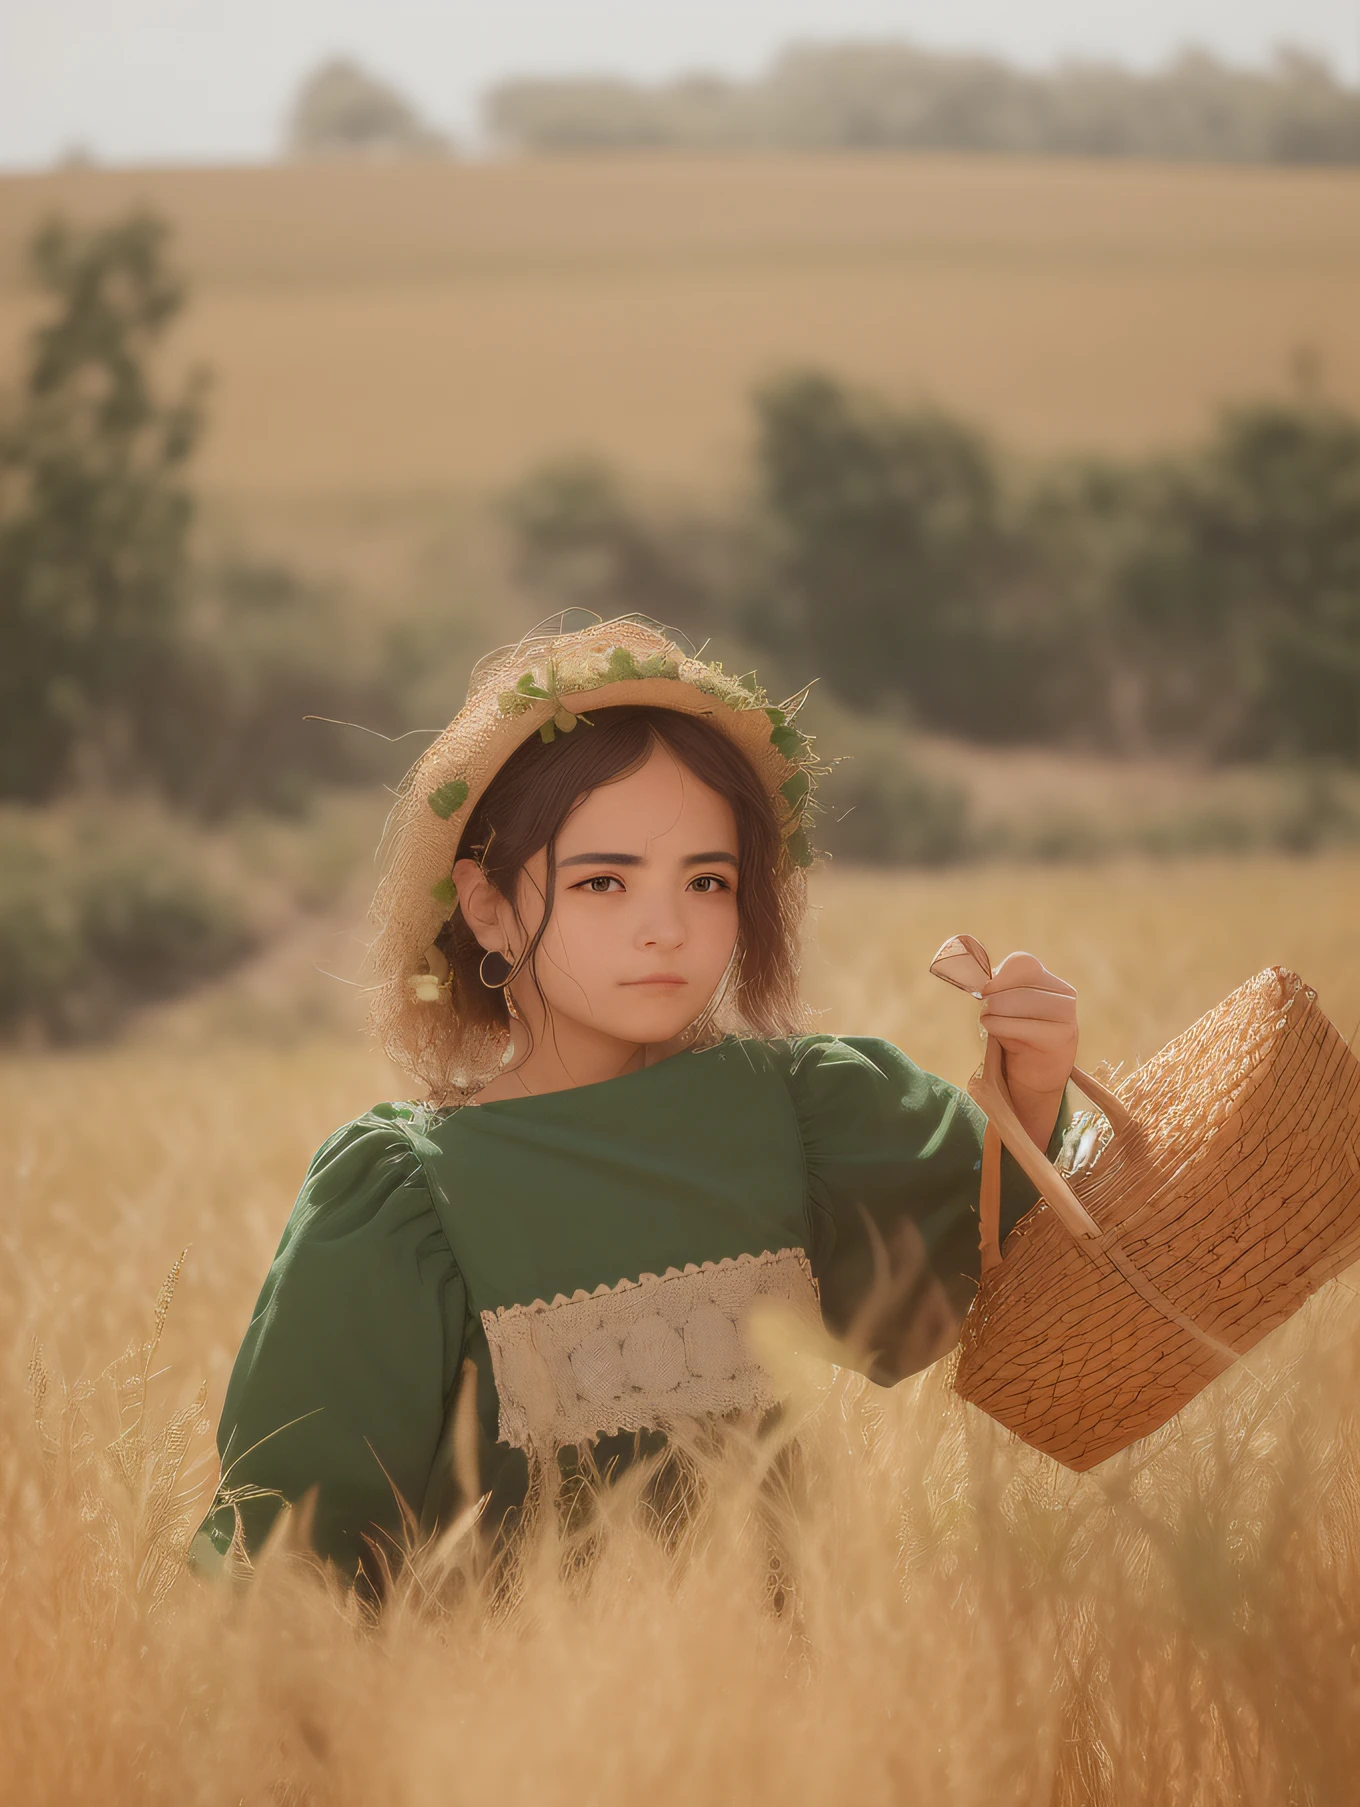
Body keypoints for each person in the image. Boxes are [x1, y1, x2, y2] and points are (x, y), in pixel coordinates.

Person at [193, 618, 1078, 1588]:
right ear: (486, 905)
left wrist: (1029, 1088)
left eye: (707, 880)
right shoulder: (410, 1200)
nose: (665, 928)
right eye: (603, 881)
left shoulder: (797, 1111)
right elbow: (290, 1556)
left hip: (803, 1714)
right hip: (512, 1722)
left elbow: (1012, 1277)